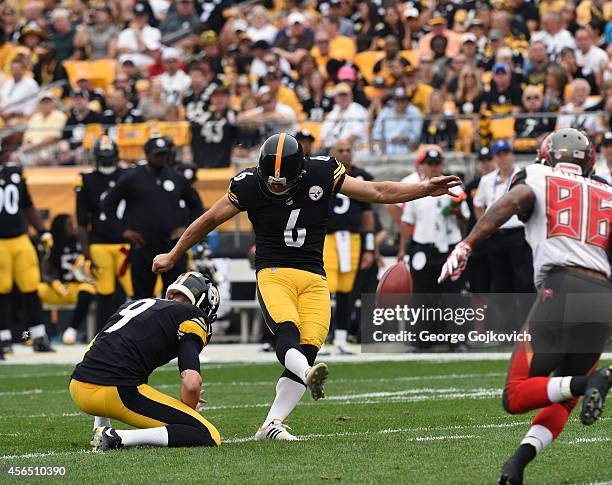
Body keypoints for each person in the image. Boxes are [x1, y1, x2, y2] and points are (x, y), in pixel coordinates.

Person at [152, 133, 461, 439]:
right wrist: (174, 253)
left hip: (314, 274)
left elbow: (376, 191)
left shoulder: (322, 171)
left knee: (309, 348)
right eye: (270, 181)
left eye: (282, 182)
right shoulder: (248, 184)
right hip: (274, 271)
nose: (275, 187)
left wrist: (422, 189)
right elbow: (209, 219)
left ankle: (271, 424)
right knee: (287, 333)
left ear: (299, 174)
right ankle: (307, 375)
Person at [439, 128, 612, 485]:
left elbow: (510, 203)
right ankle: (517, 463)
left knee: (516, 394)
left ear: (547, 155)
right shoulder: (607, 190)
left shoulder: (537, 174)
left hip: (562, 287)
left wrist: (468, 244)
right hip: (602, 296)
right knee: (562, 395)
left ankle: (591, 380)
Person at [69, 271, 221, 451]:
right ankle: (117, 437)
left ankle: (101, 425)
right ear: (205, 305)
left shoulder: (135, 304)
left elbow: (95, 347)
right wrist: (189, 408)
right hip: (116, 391)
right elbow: (191, 383)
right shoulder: (194, 317)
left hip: (78, 386)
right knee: (208, 434)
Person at [103, 135, 203, 300]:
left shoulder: (177, 178)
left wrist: (186, 228)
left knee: (175, 295)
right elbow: (108, 203)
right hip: (143, 246)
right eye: (157, 154)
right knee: (143, 299)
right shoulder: (132, 177)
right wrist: (123, 230)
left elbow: (196, 205)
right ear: (147, 154)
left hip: (172, 247)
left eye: (164, 154)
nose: (161, 158)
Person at [397, 147, 469, 349]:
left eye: (437, 163)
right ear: (423, 166)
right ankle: (422, 339)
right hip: (423, 246)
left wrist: (456, 211)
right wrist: (403, 249)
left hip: (449, 245)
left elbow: (465, 219)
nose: (434, 167)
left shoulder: (455, 188)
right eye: (430, 164)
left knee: (453, 293)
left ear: (442, 165)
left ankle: (457, 338)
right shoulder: (416, 189)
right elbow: (407, 222)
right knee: (422, 293)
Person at [473, 140, 535, 330]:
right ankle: (505, 328)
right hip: (497, 235)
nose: (503, 158)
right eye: (499, 154)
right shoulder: (487, 180)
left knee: (524, 282)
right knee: (501, 284)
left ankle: (527, 327)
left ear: (511, 155)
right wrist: (486, 225)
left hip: (519, 234)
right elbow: (478, 203)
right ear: (495, 158)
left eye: (506, 153)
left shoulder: (523, 176)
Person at [0, 143, 54, 357]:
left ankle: (39, 336)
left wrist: (42, 231)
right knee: (2, 291)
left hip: (20, 238)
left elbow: (27, 204)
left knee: (31, 287)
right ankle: (3, 339)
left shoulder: (14, 172)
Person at [75, 137, 133, 332]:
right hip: (100, 244)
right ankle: (102, 337)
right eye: (104, 156)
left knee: (138, 293)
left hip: (127, 243)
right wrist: (86, 253)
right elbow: (82, 221)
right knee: (104, 295)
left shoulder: (129, 175)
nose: (107, 160)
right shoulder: (86, 180)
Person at [323, 139, 375, 354]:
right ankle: (319, 340)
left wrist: (369, 247)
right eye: (340, 150)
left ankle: (341, 340)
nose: (344, 154)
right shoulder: (323, 173)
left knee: (347, 291)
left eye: (347, 150)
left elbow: (367, 214)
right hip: (327, 238)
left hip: (352, 239)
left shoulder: (362, 175)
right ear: (332, 153)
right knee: (324, 290)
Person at [38, 214, 95, 344]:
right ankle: (29, 334)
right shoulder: (52, 245)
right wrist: (54, 283)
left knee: (87, 290)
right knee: (33, 292)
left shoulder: (80, 241)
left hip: (77, 286)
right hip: (59, 288)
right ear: (60, 228)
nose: (72, 227)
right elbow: (44, 272)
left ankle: (72, 330)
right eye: (69, 225)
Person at [190, 85, 239, 168]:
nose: (219, 100)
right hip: (205, 162)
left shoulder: (234, 115)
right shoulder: (205, 116)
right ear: (212, 99)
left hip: (227, 162)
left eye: (222, 96)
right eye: (216, 97)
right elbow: (195, 132)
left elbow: (237, 135)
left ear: (228, 98)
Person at [371, 87, 422, 155]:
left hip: (405, 147)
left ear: (407, 101)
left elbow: (416, 135)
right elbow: (376, 133)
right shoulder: (385, 112)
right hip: (385, 146)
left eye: (402, 100)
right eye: (397, 100)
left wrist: (405, 138)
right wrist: (385, 140)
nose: (400, 103)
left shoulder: (414, 112)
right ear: (393, 101)